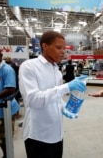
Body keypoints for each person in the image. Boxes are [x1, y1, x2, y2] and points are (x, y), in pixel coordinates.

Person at [18, 30, 86, 158]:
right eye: (58, 47)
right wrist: (66, 87)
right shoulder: (29, 67)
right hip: (38, 135)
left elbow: (56, 97)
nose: (63, 52)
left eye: (64, 49)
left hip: (57, 133)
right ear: (45, 46)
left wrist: (64, 107)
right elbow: (32, 99)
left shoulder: (57, 71)